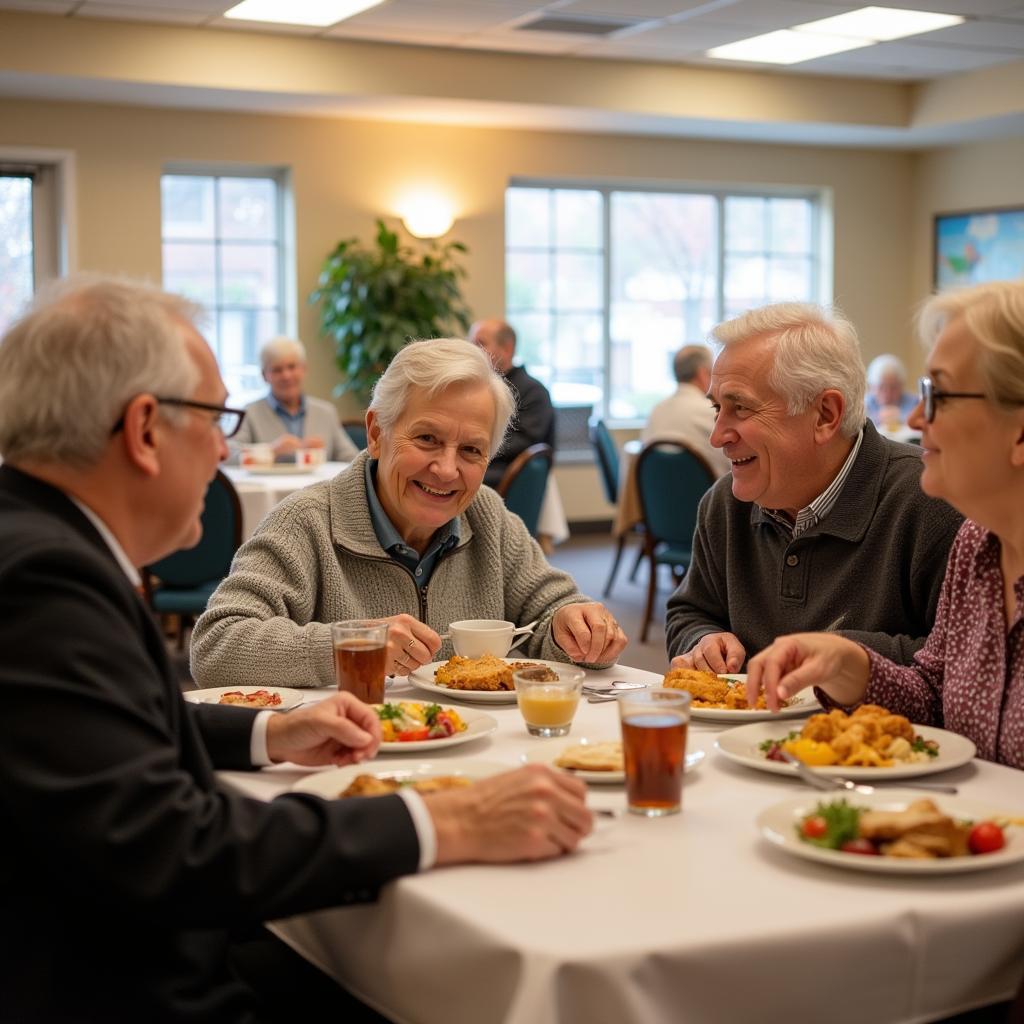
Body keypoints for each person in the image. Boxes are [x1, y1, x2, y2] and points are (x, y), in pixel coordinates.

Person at [0, 276, 594, 1023]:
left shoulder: (36, 549)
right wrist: (444, 822)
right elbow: (170, 846)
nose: (226, 447)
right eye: (217, 418)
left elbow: (105, 740)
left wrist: (265, 730)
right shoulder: (45, 582)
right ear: (145, 428)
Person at [192, 336, 627, 688]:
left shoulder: (486, 515)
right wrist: (354, 646)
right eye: (427, 439)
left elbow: (549, 608)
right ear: (377, 433)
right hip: (355, 767)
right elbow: (217, 644)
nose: (446, 469)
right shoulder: (307, 522)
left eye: (472, 450)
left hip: (477, 759)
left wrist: (575, 628)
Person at [748, 281, 1024, 770]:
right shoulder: (978, 544)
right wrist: (846, 661)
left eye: (937, 394)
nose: (917, 418)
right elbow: (936, 702)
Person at [665, 302, 963, 674]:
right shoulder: (726, 504)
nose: (716, 436)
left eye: (740, 408)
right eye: (716, 409)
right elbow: (690, 611)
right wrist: (703, 640)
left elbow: (960, 662)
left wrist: (835, 655)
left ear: (825, 415)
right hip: (745, 731)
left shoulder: (931, 502)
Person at [230, 336, 359, 462]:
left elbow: (353, 459)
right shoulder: (249, 413)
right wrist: (270, 451)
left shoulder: (326, 412)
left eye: (292, 367)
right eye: (277, 370)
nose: (286, 376)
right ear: (264, 375)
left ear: (304, 369)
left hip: (320, 483)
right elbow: (228, 455)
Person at [469, 318, 556, 487]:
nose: (473, 351)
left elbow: (521, 443)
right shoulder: (477, 387)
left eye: (480, 344)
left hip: (509, 476)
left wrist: (471, 447)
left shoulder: (533, 392)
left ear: (507, 349)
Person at [642, 343, 730, 477]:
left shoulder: (656, 411)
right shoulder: (711, 412)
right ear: (702, 373)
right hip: (709, 496)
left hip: (661, 496)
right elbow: (733, 462)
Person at [865, 353, 918, 428]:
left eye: (893, 387)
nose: (888, 393)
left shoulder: (914, 402)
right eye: (882, 387)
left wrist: (900, 417)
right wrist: (878, 418)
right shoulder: (864, 404)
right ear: (872, 387)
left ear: (901, 386)